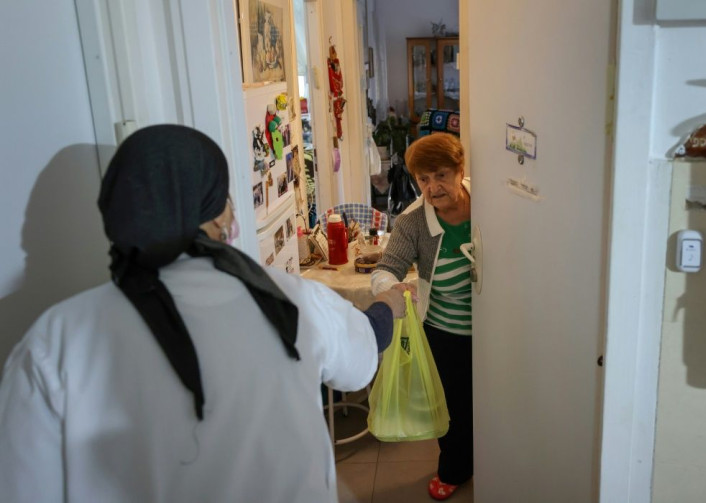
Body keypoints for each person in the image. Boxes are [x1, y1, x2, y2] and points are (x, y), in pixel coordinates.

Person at [0, 124, 405, 503]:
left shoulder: (55, 340)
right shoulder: (292, 299)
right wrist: (388, 304)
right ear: (215, 215)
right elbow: (360, 358)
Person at [371, 132, 472, 501]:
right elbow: (387, 268)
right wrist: (391, 287)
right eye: (423, 180)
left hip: (499, 330)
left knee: (500, 401)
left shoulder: (490, 201)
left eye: (441, 175)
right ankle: (456, 468)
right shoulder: (412, 221)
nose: (432, 188)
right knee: (455, 408)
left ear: (460, 170)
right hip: (446, 332)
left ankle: (499, 460)